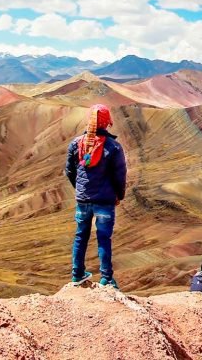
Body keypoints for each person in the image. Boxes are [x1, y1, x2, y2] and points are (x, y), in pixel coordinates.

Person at [65, 104, 127, 289]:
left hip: (83, 201)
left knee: (80, 236)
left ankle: (77, 274)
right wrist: (119, 196)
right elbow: (119, 175)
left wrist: (80, 188)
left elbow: (69, 171)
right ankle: (106, 278)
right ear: (107, 123)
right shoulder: (114, 147)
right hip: (105, 202)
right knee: (104, 238)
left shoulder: (76, 144)